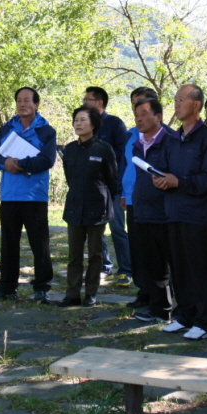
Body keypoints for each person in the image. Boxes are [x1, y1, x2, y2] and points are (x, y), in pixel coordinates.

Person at [156, 85, 207, 340]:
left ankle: (204, 323)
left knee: (199, 269)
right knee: (179, 267)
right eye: (175, 99)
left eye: (181, 100)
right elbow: (163, 167)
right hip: (174, 211)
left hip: (200, 215)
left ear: (196, 105)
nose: (176, 104)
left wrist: (179, 182)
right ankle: (183, 315)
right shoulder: (173, 137)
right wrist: (160, 179)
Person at [0, 87, 57, 304]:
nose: (22, 104)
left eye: (27, 100)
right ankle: (7, 287)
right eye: (19, 100)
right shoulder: (7, 127)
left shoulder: (46, 130)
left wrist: (20, 164)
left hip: (34, 196)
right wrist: (4, 163)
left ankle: (42, 288)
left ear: (36, 104)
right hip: (9, 195)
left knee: (40, 245)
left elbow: (47, 160)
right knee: (9, 243)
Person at [58, 106, 119, 307]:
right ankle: (72, 294)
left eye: (83, 120)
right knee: (74, 255)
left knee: (95, 254)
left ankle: (91, 294)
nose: (78, 123)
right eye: (76, 120)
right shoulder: (70, 149)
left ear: (93, 124)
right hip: (75, 207)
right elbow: (70, 177)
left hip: (97, 208)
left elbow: (112, 180)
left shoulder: (104, 149)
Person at [129, 97, 176, 323]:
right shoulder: (137, 145)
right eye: (137, 114)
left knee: (173, 265)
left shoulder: (171, 142)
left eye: (145, 113)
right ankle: (159, 309)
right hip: (143, 212)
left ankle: (181, 311)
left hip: (166, 212)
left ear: (159, 117)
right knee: (152, 265)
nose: (139, 118)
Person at [82, 86, 132, 288]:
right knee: (96, 230)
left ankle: (126, 269)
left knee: (117, 228)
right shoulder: (87, 123)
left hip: (113, 186)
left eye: (88, 100)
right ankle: (104, 266)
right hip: (93, 187)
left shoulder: (115, 124)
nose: (84, 103)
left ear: (99, 103)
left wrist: (116, 183)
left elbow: (122, 155)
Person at [122, 87, 159, 310]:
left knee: (154, 249)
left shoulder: (166, 134)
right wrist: (124, 193)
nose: (139, 111)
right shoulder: (130, 135)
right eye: (135, 104)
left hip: (154, 200)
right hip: (132, 198)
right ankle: (143, 290)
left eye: (143, 105)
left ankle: (159, 293)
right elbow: (125, 167)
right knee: (136, 247)